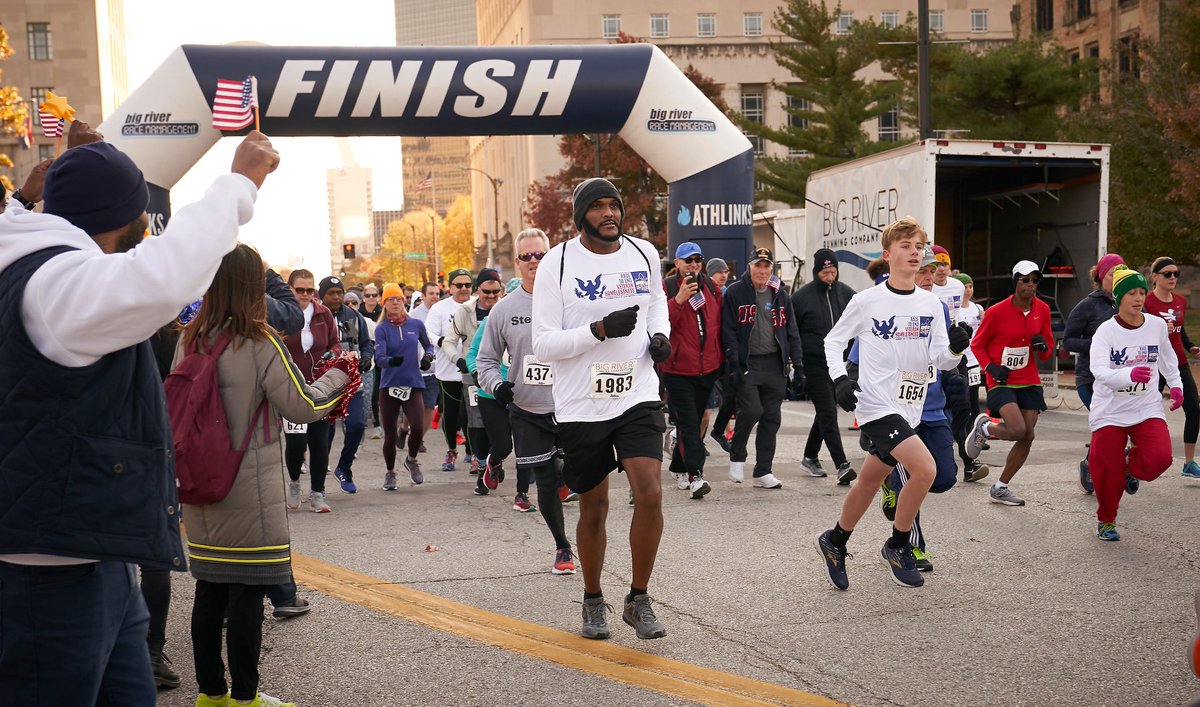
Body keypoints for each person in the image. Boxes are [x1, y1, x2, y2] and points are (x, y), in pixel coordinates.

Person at [0, 122, 277, 704]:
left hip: (85, 549)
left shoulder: (31, 262)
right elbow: (162, 276)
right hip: (48, 566)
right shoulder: (57, 285)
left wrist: (75, 173)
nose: (148, 231)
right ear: (127, 222)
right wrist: (237, 186)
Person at [179, 244, 351, 707]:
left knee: (209, 589)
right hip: (247, 486)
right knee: (247, 596)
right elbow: (304, 405)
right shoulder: (259, 342)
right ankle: (245, 697)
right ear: (254, 287)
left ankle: (210, 695)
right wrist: (339, 374)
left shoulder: (188, 337)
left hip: (199, 484)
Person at [532, 177, 672, 640]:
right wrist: (598, 329)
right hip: (581, 404)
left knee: (650, 492)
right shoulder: (558, 263)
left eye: (615, 205)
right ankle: (593, 599)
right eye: (598, 207)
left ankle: (639, 597)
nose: (609, 214)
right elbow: (544, 343)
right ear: (581, 216)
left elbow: (655, 303)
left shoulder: (644, 253)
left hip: (637, 392)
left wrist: (659, 335)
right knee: (594, 506)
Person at [815, 217, 969, 590]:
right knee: (925, 470)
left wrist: (955, 348)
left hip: (910, 406)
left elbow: (940, 360)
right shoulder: (867, 301)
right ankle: (899, 545)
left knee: (869, 482)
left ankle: (835, 541)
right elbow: (833, 342)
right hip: (876, 404)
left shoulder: (930, 304)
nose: (915, 252)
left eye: (919, 246)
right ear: (887, 255)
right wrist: (839, 378)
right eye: (906, 246)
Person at [479, 229, 578, 572]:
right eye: (527, 257)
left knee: (576, 474)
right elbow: (486, 359)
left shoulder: (572, 299)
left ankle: (569, 474)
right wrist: (497, 385)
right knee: (546, 479)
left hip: (571, 406)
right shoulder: (504, 310)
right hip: (527, 408)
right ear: (517, 263)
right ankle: (563, 548)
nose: (534, 262)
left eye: (540, 255)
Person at [876, 247, 967, 572]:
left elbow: (945, 356)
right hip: (897, 412)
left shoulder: (939, 309)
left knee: (942, 478)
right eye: (923, 272)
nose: (928, 278)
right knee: (914, 474)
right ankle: (909, 546)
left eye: (932, 272)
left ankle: (888, 480)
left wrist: (957, 371)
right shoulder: (887, 305)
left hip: (933, 408)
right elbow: (861, 353)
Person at [1086, 265, 1182, 540]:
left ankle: (1129, 466)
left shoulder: (1155, 325)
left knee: (1160, 458)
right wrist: (1129, 374)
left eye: (1142, 292)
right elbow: (1100, 372)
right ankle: (1106, 520)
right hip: (1111, 410)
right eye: (1132, 293)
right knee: (1106, 472)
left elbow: (1167, 358)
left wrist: (1176, 386)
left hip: (1145, 407)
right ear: (1119, 297)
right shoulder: (1105, 332)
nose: (1139, 298)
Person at [964, 260, 1055, 506]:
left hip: (1029, 379)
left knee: (1028, 435)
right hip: (1001, 380)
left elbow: (1047, 351)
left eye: (1035, 280)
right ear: (1015, 282)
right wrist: (990, 367)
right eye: (1025, 279)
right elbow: (977, 344)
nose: (1030, 285)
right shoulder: (996, 312)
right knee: (1016, 430)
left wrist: (1043, 347)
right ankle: (985, 428)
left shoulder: (1043, 310)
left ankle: (1000, 487)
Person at [720, 247, 804, 489]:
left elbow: (792, 332)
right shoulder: (735, 292)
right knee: (752, 410)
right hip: (748, 363)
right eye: (758, 265)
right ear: (750, 267)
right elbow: (729, 331)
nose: (762, 270)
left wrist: (797, 365)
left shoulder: (781, 294)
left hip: (774, 363)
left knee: (771, 417)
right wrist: (733, 363)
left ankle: (763, 471)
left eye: (767, 266)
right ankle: (737, 455)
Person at [662, 241, 723, 499]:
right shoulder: (667, 287)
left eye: (698, 259)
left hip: (707, 368)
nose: (694, 264)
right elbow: (659, 323)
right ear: (677, 263)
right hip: (677, 370)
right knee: (687, 423)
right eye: (688, 260)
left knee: (697, 422)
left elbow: (719, 324)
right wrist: (678, 300)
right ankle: (696, 476)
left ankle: (678, 465)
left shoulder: (710, 287)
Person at [791, 248, 856, 483]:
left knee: (826, 410)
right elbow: (792, 332)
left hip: (838, 362)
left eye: (833, 271)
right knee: (828, 412)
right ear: (816, 272)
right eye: (825, 272)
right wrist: (796, 365)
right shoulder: (801, 298)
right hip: (814, 362)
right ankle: (842, 465)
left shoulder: (846, 293)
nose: (830, 276)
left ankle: (809, 456)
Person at [1064, 253, 1124, 493]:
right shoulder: (1087, 305)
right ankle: (1096, 466)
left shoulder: (1126, 302)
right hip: (1089, 378)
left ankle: (1096, 463)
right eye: (1112, 274)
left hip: (1118, 377)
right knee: (1106, 424)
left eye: (1121, 273)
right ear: (1101, 277)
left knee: (1111, 425)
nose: (1117, 278)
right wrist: (1098, 343)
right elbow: (1068, 341)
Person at [282, 269, 341, 513]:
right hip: (291, 388)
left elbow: (335, 343)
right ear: (290, 289)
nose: (306, 295)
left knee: (319, 441)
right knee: (296, 444)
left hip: (320, 387)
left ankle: (318, 492)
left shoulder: (323, 313)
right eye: (300, 290)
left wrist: (333, 354)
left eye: (310, 290)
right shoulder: (281, 314)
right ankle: (294, 482)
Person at [445, 268, 505, 489]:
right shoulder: (465, 311)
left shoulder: (505, 309)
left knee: (504, 423)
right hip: (474, 375)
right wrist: (458, 361)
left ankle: (496, 459)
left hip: (504, 373)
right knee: (478, 422)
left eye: (495, 291)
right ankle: (482, 468)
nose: (491, 296)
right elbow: (448, 342)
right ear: (477, 290)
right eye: (486, 291)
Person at [373, 283, 434, 489]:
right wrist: (391, 361)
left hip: (413, 383)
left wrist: (427, 357)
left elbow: (429, 345)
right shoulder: (382, 329)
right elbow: (379, 357)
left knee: (417, 427)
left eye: (398, 298)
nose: (396, 302)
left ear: (404, 301)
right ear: (384, 304)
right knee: (390, 434)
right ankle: (390, 473)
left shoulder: (415, 325)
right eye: (391, 299)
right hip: (389, 386)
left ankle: (412, 459)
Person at [1143, 257, 1200, 478]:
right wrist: (1156, 331)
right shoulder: (1145, 302)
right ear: (1155, 276)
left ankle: (1189, 463)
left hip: (1178, 363)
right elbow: (1138, 330)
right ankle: (1134, 454)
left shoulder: (1180, 301)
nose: (1173, 278)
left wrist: (1191, 346)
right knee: (1143, 410)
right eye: (1168, 274)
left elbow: (1180, 329)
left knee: (1194, 410)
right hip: (1153, 364)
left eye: (1176, 274)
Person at [321, 275, 375, 494]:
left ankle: (344, 468)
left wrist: (366, 358)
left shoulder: (352, 315)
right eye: (331, 293)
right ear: (321, 295)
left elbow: (365, 343)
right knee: (325, 433)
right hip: (324, 384)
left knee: (356, 426)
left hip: (351, 381)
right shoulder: (316, 317)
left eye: (339, 293)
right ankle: (319, 481)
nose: (336, 297)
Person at [425, 268, 475, 471]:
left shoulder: (476, 304)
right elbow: (428, 331)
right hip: (448, 370)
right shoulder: (440, 308)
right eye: (459, 285)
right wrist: (442, 342)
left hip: (473, 370)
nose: (463, 289)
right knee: (452, 414)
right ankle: (452, 450)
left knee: (471, 414)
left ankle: (473, 453)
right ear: (450, 287)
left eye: (467, 285)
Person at [950, 272, 990, 483]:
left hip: (968, 362)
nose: (968, 290)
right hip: (941, 362)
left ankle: (969, 462)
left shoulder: (976, 309)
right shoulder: (932, 299)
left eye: (970, 286)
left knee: (967, 408)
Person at [410, 281, 442, 450]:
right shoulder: (414, 315)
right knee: (414, 406)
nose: (435, 297)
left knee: (429, 405)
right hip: (415, 368)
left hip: (435, 368)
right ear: (423, 296)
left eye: (437, 293)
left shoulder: (443, 311)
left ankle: (418, 439)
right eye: (431, 294)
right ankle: (403, 428)